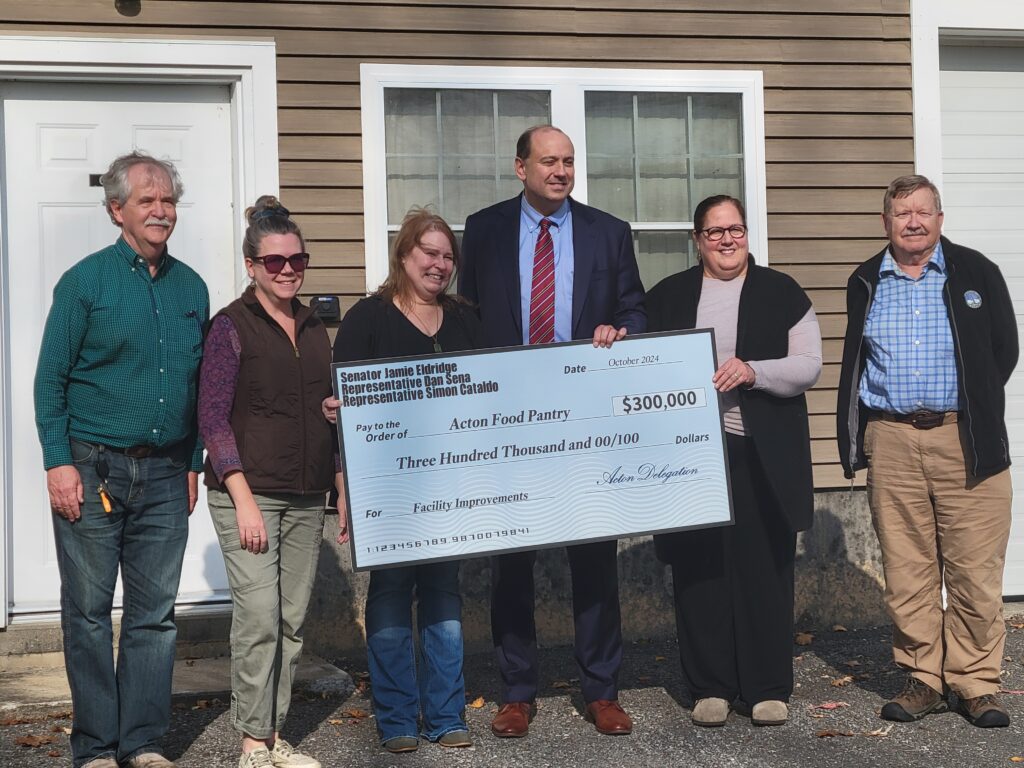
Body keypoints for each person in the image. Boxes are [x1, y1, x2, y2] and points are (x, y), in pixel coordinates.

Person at [459, 125, 646, 738]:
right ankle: (517, 692)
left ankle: (602, 689)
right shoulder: (482, 231)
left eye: (568, 161)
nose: (560, 171)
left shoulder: (607, 232)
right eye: (548, 161)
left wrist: (619, 334)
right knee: (510, 559)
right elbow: (466, 321)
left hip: (584, 420)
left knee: (594, 558)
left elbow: (633, 311)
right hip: (508, 420)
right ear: (520, 168)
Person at [34, 151, 209, 768]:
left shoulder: (192, 287)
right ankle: (95, 746)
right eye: (146, 200)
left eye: (168, 200)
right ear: (117, 211)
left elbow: (199, 384)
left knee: (154, 617)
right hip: (92, 468)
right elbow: (50, 381)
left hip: (165, 474)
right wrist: (58, 462)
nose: (161, 210)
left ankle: (142, 742)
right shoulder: (85, 283)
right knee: (87, 613)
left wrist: (193, 461)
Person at [836, 175, 1017, 728]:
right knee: (908, 567)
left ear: (940, 217)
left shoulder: (976, 272)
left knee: (974, 569)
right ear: (885, 222)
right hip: (891, 438)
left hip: (964, 437)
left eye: (923, 211)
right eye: (900, 212)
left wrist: (973, 409)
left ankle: (976, 683)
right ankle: (923, 678)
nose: (912, 221)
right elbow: (856, 360)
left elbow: (1003, 352)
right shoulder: (866, 279)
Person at [647, 194, 821, 728]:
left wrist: (753, 372)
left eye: (736, 230)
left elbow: (808, 365)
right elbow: (640, 358)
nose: (727, 240)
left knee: (764, 568)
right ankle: (711, 686)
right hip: (691, 455)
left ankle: (767, 687)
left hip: (760, 453)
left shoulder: (781, 291)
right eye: (715, 231)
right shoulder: (669, 295)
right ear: (698, 239)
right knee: (699, 569)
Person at [329, 208, 480, 753]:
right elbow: (344, 408)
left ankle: (445, 713)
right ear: (404, 255)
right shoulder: (367, 319)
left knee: (443, 591)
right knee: (391, 592)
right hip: (386, 488)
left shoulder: (465, 319)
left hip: (450, 488)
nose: (439, 265)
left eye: (447, 256)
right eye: (429, 253)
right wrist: (343, 481)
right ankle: (396, 718)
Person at [198, 197, 342, 768]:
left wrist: (339, 479)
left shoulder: (313, 328)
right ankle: (253, 744)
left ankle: (273, 734)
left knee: (291, 620)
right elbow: (211, 417)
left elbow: (322, 411)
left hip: (307, 494)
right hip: (247, 493)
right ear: (252, 265)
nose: (288, 270)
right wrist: (244, 501)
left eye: (297, 260)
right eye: (275, 261)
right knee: (258, 618)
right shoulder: (231, 327)